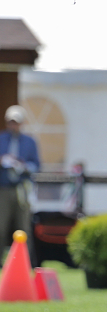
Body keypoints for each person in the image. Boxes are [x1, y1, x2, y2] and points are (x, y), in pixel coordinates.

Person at [0, 105, 41, 258]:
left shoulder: (30, 142)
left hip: (22, 189)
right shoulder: (1, 139)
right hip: (3, 189)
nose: (13, 125)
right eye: (11, 122)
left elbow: (36, 165)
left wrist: (23, 166)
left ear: (21, 123)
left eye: (16, 122)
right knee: (1, 227)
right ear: (6, 122)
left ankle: (25, 262)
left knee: (24, 228)